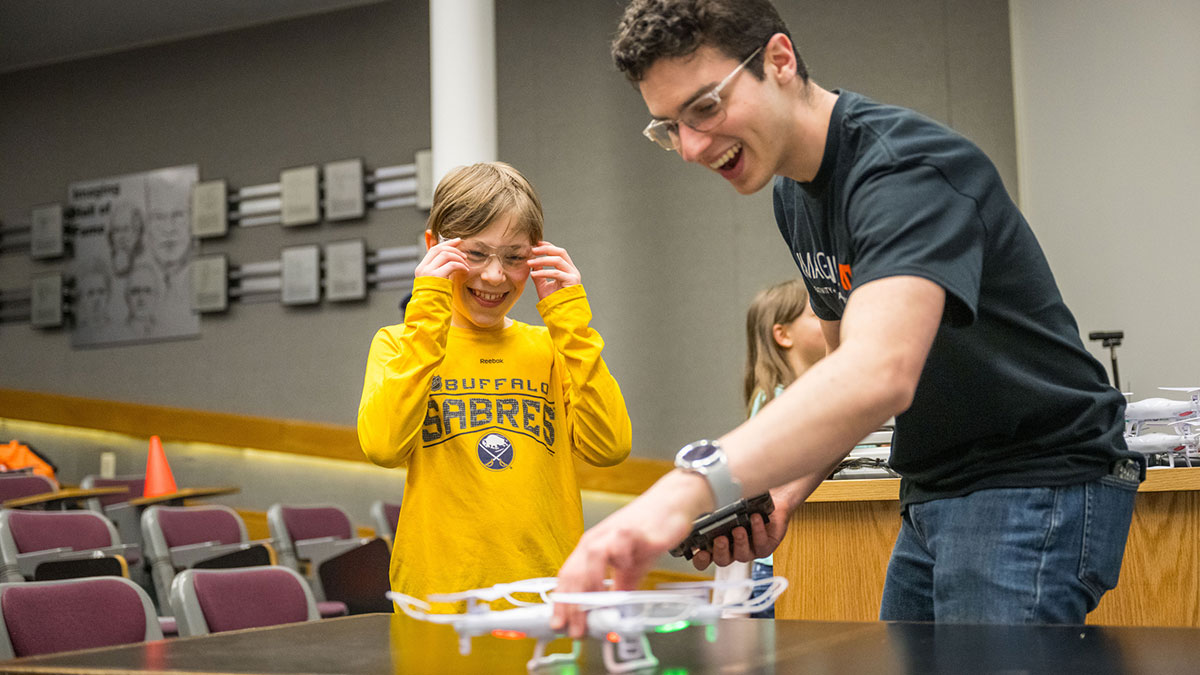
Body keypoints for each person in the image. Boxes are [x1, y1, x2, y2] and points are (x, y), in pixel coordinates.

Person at [552, 0, 1141, 634]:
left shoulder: (905, 169)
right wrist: (783, 490)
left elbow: (879, 373)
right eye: (669, 126)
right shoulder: (794, 195)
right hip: (937, 487)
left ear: (778, 60)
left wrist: (686, 488)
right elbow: (842, 367)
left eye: (705, 107)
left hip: (1033, 481)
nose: (692, 147)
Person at [357, 161, 632, 611]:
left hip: (548, 597)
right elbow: (384, 447)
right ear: (434, 247)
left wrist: (570, 321)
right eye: (476, 254)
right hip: (437, 601)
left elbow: (610, 447)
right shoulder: (399, 344)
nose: (494, 276)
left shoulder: (551, 347)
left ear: (537, 256)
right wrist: (428, 309)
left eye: (514, 257)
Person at [717, 278, 824, 617]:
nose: (832, 318)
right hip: (776, 566)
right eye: (816, 313)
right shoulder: (779, 399)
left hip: (787, 559)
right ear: (783, 335)